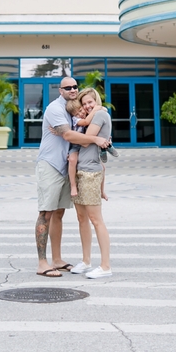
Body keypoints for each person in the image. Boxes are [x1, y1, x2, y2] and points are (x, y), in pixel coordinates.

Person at [35, 77, 110, 277]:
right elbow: (69, 135)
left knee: (59, 213)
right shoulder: (55, 109)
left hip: (67, 166)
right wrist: (95, 138)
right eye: (67, 87)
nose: (72, 89)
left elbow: (84, 125)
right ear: (60, 90)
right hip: (51, 165)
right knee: (46, 213)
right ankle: (43, 263)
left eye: (75, 86)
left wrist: (96, 111)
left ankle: (57, 259)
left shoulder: (74, 107)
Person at [68, 87, 113, 278]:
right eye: (84, 103)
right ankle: (86, 261)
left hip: (90, 172)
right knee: (82, 219)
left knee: (96, 219)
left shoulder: (100, 115)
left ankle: (105, 266)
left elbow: (85, 142)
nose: (87, 106)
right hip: (80, 170)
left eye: (90, 102)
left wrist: (95, 110)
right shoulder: (91, 116)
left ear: (97, 101)